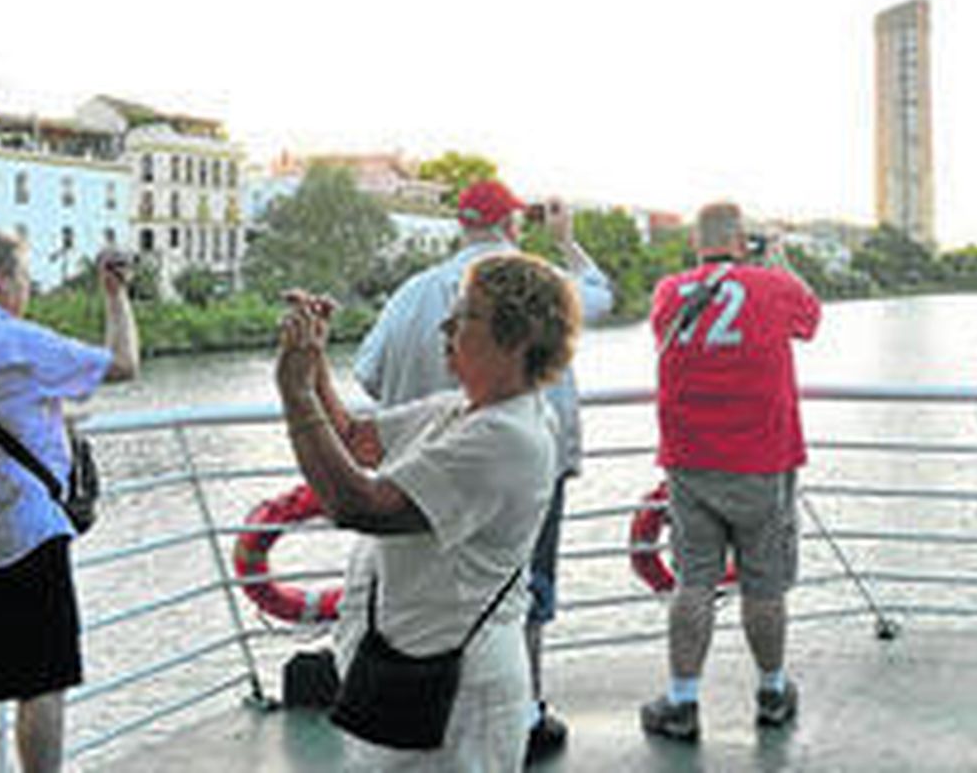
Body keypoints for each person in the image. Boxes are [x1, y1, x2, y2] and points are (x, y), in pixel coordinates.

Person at [276, 252, 579, 770]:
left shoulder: (507, 436)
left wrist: (297, 392)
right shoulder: (459, 411)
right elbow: (355, 441)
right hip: (414, 672)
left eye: (466, 316)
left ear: (517, 338)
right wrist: (317, 361)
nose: (447, 326)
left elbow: (359, 505)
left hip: (461, 699)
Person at [354, 179, 613, 763]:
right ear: (512, 225)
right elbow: (599, 295)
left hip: (418, 490)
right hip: (508, 481)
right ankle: (525, 715)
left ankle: (414, 711)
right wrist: (568, 240)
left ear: (462, 225)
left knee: (419, 607)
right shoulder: (534, 288)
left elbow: (368, 375)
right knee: (513, 597)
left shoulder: (410, 293)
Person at [640, 202, 820, 742]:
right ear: (743, 241)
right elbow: (810, 319)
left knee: (693, 583)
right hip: (762, 461)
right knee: (763, 586)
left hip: (690, 460)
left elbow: (661, 335)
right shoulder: (772, 286)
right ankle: (770, 692)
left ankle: (682, 702)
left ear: (699, 242)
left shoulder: (671, 291)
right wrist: (781, 257)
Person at [0, 229, 139, 773]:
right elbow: (122, 363)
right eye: (23, 276)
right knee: (40, 683)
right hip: (23, 534)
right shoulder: (14, 341)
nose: (28, 288)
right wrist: (115, 295)